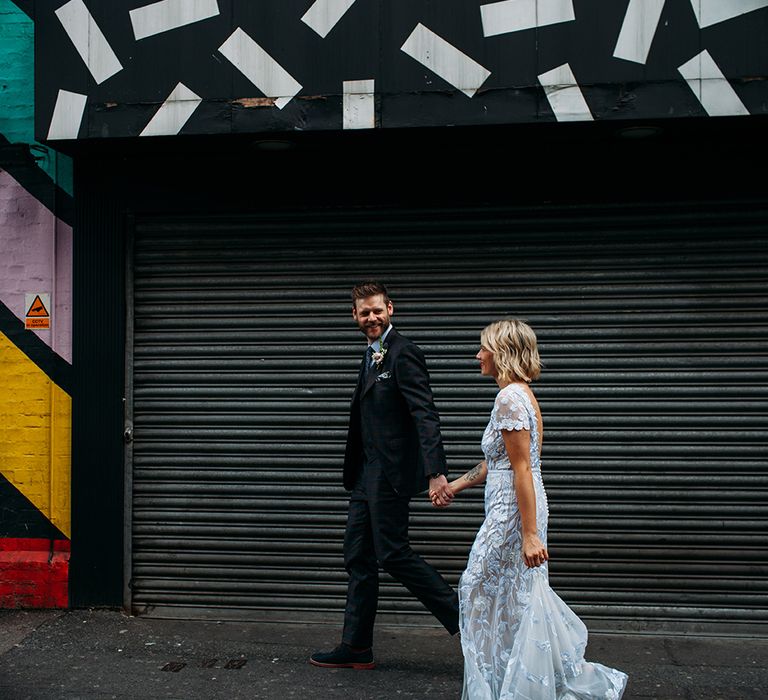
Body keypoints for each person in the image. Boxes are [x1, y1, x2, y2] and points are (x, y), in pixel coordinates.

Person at [432, 319, 627, 699]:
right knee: (515, 595)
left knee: (476, 587)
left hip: (513, 511)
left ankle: (502, 683)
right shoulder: (520, 394)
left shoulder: (509, 398)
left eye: (483, 347)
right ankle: (516, 679)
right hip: (516, 503)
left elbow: (521, 468)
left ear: (501, 352)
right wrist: (454, 485)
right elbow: (499, 460)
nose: (478, 355)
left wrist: (530, 533)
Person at [310, 280, 460, 670]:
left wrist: (435, 472)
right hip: (365, 474)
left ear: (390, 308)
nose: (372, 317)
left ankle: (468, 621)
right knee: (357, 554)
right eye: (365, 312)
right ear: (355, 316)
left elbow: (424, 414)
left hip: (388, 473)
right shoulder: (370, 354)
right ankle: (356, 646)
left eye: (378, 310)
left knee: (393, 553)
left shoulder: (404, 353)